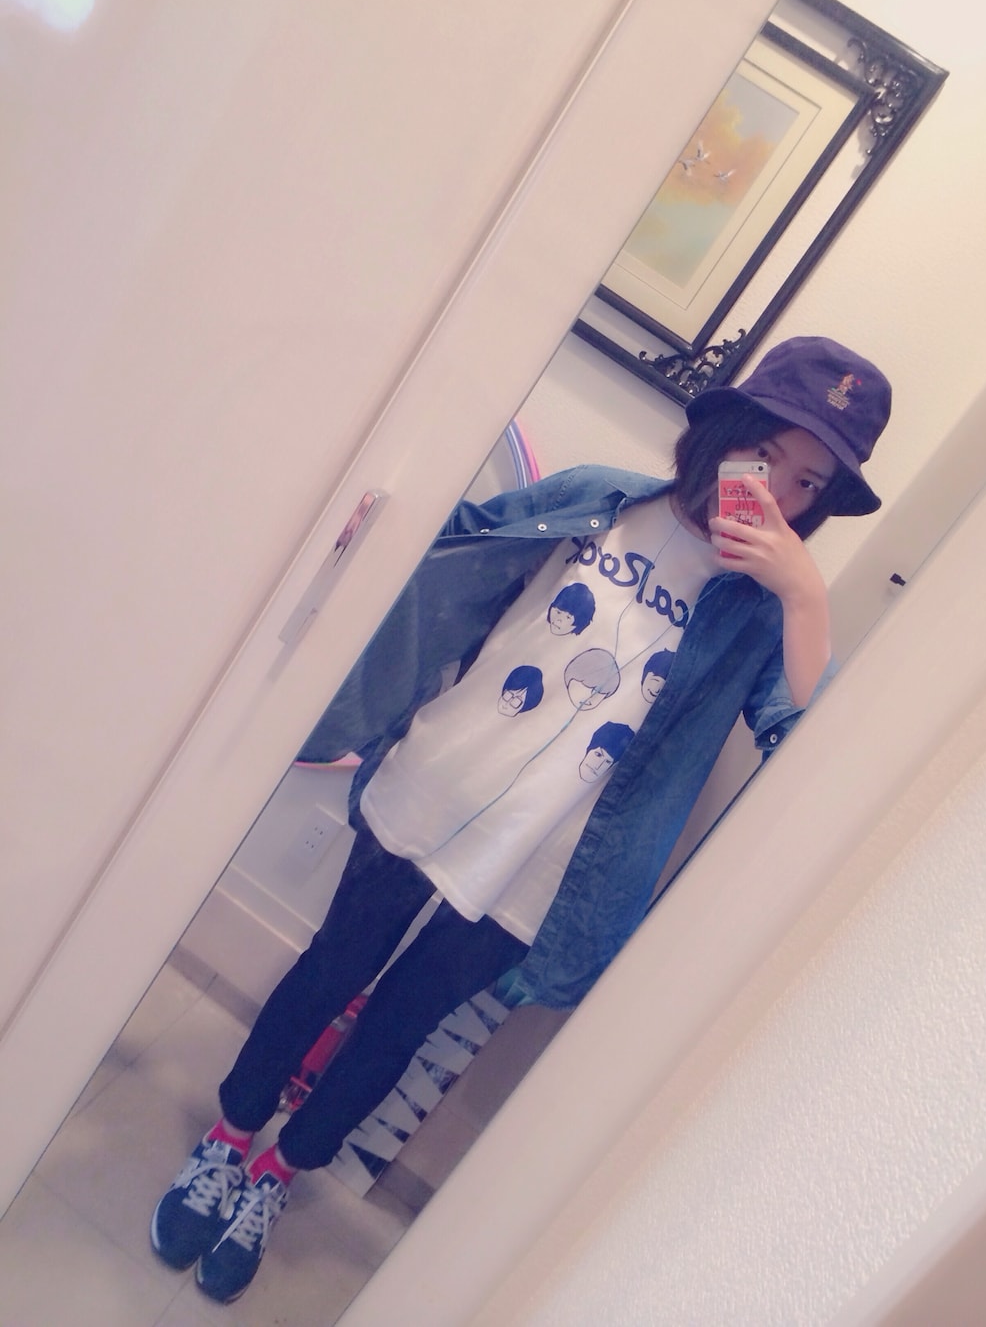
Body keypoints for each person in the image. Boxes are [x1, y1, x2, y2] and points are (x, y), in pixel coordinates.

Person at [150, 336, 891, 1303]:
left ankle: (281, 1174)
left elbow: (810, 748)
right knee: (331, 966)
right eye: (769, 455)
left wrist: (805, 599)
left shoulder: (760, 617)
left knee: (399, 1027)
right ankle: (229, 1137)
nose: (780, 495)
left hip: (544, 875)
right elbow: (446, 559)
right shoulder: (599, 500)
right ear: (726, 435)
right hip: (435, 788)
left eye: (809, 483)